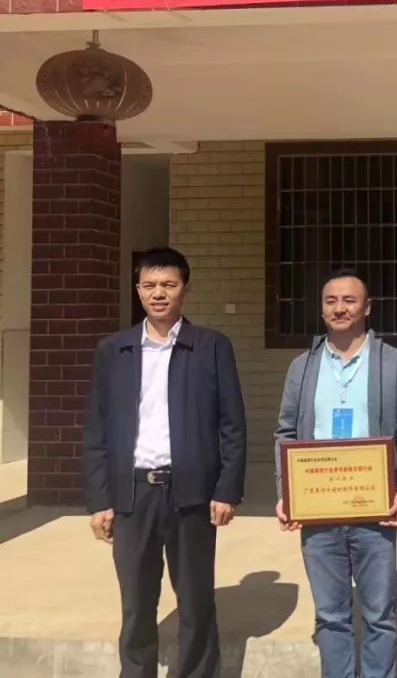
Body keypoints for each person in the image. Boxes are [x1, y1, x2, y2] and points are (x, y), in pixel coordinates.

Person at [83, 246, 247, 678]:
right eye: (150, 285)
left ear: (185, 290)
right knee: (136, 602)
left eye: (168, 285)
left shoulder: (211, 347)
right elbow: (97, 430)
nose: (159, 293)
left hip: (191, 493)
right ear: (138, 290)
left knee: (195, 599)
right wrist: (100, 500)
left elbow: (233, 424)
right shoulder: (114, 350)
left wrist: (227, 489)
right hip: (133, 494)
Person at [274, 269, 397, 678]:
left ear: (367, 307)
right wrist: (286, 492)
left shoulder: (392, 363)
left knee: (379, 615)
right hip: (318, 510)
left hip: (374, 508)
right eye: (331, 301)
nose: (339, 308)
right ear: (322, 309)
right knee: (330, 615)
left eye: (349, 300)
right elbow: (286, 433)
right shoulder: (302, 366)